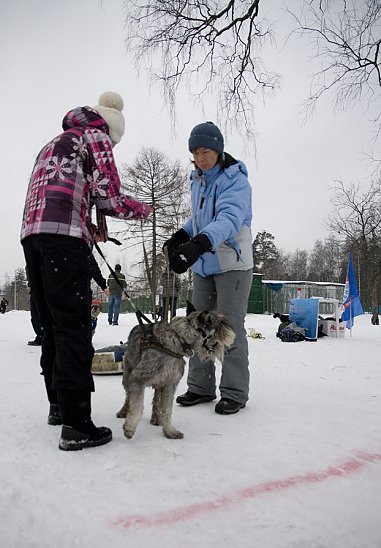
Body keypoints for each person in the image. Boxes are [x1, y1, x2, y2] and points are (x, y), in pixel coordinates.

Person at [21, 91, 152, 450]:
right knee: (74, 328)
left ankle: (58, 407)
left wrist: (89, 228)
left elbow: (61, 193)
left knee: (50, 325)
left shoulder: (55, 142)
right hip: (63, 240)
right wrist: (143, 209)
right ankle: (77, 426)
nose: (113, 145)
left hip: (33, 236)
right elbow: (109, 196)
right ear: (112, 128)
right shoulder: (97, 135)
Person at [164, 121, 253, 415]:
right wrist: (182, 235)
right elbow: (201, 218)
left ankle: (234, 392)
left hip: (232, 264)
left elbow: (228, 219)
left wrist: (199, 243)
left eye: (207, 151)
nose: (201, 157)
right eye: (196, 152)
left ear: (218, 150)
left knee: (228, 329)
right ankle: (201, 388)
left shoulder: (234, 179)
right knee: (198, 326)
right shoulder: (198, 179)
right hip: (204, 268)